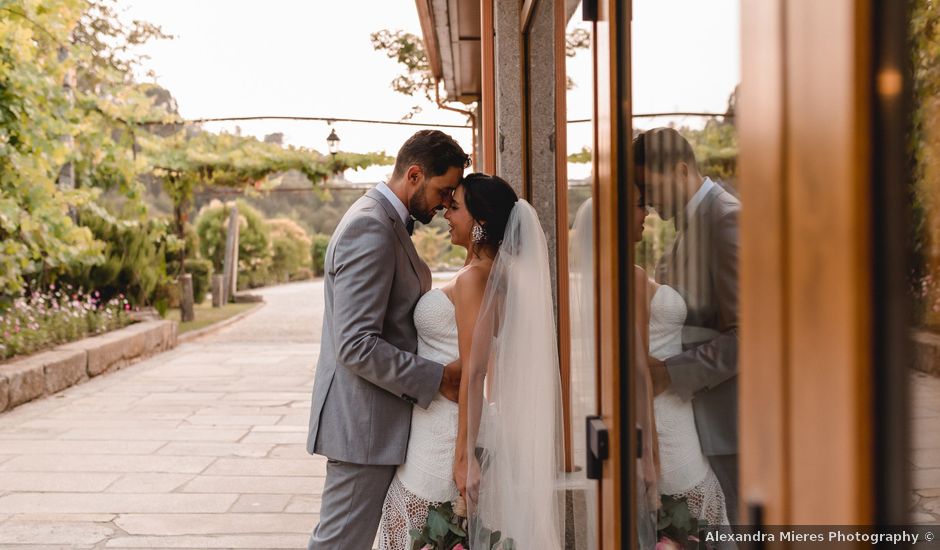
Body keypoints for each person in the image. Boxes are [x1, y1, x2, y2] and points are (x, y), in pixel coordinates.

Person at [305, 130, 469, 550]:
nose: (446, 202)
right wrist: (438, 379)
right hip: (364, 427)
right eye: (444, 189)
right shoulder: (371, 226)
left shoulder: (385, 221)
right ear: (414, 174)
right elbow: (356, 343)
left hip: (377, 423)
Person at [377, 173, 520, 549]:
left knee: (405, 535)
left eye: (454, 207)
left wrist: (463, 458)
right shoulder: (480, 274)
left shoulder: (475, 279)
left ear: (481, 222)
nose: (445, 215)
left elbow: (475, 373)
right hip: (435, 425)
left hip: (446, 436)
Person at [635, 127, 741, 525]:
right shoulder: (690, 222)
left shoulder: (726, 221)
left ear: (680, 170)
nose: (646, 199)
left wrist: (666, 375)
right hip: (701, 418)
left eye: (649, 185)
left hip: (729, 424)